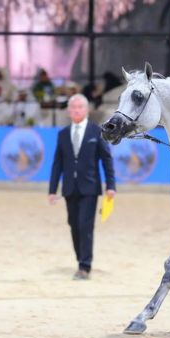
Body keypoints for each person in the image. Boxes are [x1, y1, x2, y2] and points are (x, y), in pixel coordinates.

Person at [48, 94, 116, 280]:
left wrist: (111, 185)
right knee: (74, 225)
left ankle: (84, 266)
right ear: (70, 111)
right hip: (70, 188)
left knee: (85, 226)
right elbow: (57, 163)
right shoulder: (62, 134)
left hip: (90, 188)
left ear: (86, 110)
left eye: (80, 107)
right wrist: (52, 190)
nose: (77, 110)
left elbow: (106, 160)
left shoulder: (96, 132)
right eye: (74, 107)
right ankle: (81, 258)